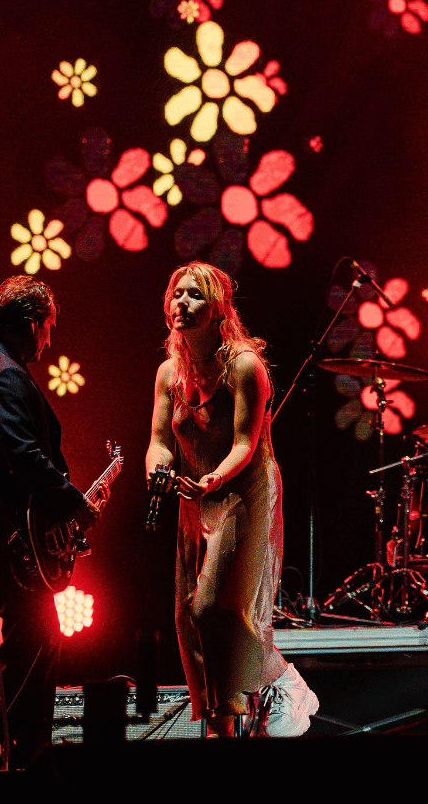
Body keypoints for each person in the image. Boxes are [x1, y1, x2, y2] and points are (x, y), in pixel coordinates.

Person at [146, 262, 317, 736]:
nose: (181, 303)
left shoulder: (244, 365)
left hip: (241, 491)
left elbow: (245, 442)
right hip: (195, 496)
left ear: (218, 308)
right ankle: (222, 729)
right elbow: (159, 440)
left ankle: (285, 684)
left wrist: (214, 480)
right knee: (187, 616)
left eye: (194, 296)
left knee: (215, 609)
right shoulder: (169, 373)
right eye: (176, 294)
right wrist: (157, 467)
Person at [0, 276, 104, 767]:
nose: (49, 341)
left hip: (2, 538)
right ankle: (28, 762)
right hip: (10, 543)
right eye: (49, 329)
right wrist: (74, 505)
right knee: (33, 654)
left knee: (30, 648)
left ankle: (21, 754)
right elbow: (24, 456)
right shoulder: (3, 375)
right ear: (33, 323)